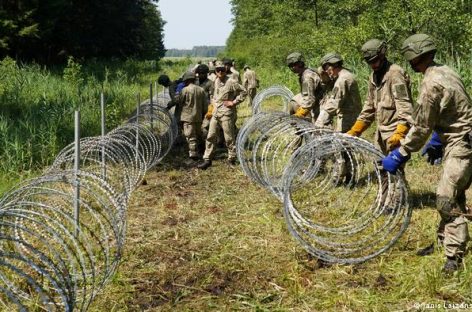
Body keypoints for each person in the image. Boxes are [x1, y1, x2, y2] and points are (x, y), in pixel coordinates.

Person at [382, 34, 472, 273]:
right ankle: (445, 242)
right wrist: (437, 138)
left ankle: (454, 257)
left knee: (445, 198)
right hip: (458, 139)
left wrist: (401, 153)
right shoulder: (446, 71)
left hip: (461, 144)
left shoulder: (431, 83)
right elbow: (455, 107)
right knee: (454, 193)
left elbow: (421, 126)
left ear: (415, 56)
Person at [346, 39, 413, 155]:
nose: (373, 65)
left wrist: (400, 132)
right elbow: (369, 107)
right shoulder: (373, 76)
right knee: (380, 167)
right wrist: (355, 130)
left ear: (382, 55)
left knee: (394, 169)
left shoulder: (395, 74)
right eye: (369, 62)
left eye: (375, 61)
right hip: (380, 133)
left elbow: (405, 107)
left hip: (394, 132)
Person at [198, 61, 247, 169]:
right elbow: (215, 95)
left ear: (225, 70)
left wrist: (234, 102)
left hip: (226, 114)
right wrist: (212, 104)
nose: (220, 72)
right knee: (210, 136)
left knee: (228, 138)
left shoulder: (231, 82)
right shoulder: (215, 81)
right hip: (216, 113)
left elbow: (244, 91)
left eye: (222, 70)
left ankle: (232, 159)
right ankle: (207, 159)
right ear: (215, 71)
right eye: (218, 70)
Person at [315, 52, 361, 132]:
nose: (326, 71)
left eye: (326, 68)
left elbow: (333, 102)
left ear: (334, 64)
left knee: (344, 143)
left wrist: (320, 121)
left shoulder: (342, 79)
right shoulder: (345, 75)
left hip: (348, 119)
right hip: (350, 117)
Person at [286, 52, 324, 121]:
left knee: (319, 128)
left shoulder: (307, 77)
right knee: (294, 101)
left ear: (300, 63)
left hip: (322, 103)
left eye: (294, 64)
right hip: (317, 100)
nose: (293, 67)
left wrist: (300, 114)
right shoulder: (305, 73)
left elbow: (309, 100)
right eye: (290, 66)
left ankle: (306, 124)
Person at [178, 71, 206, 161]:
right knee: (199, 134)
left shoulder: (184, 90)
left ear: (186, 80)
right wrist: (203, 115)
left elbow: (180, 102)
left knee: (190, 136)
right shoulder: (201, 90)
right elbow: (205, 105)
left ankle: (193, 154)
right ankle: (202, 149)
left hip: (187, 117)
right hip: (198, 116)